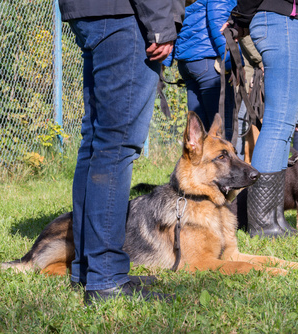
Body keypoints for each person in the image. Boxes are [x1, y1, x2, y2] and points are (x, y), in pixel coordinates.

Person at [58, 0, 184, 304]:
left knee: (97, 141)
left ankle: (89, 269)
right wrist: (161, 23)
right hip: (125, 16)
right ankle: (106, 278)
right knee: (115, 145)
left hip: (96, 13)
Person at [229, 0, 298, 238]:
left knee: (284, 127)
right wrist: (241, 17)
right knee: (278, 126)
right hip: (285, 22)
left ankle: (273, 218)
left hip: (293, 22)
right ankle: (263, 222)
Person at [165, 0, 237, 140]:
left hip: (187, 63)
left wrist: (166, 60)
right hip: (208, 60)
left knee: (198, 132)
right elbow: (219, 21)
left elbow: (172, 18)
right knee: (221, 132)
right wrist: (231, 61)